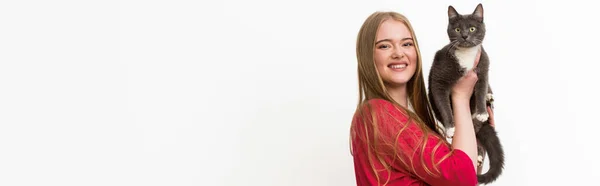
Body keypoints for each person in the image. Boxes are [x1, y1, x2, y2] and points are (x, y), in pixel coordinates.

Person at [349, 11, 495, 186]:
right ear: (368, 56)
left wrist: (476, 136)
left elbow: (467, 177)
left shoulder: (413, 120)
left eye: (407, 44)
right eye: (384, 46)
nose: (398, 53)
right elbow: (462, 180)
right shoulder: (378, 113)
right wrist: (461, 97)